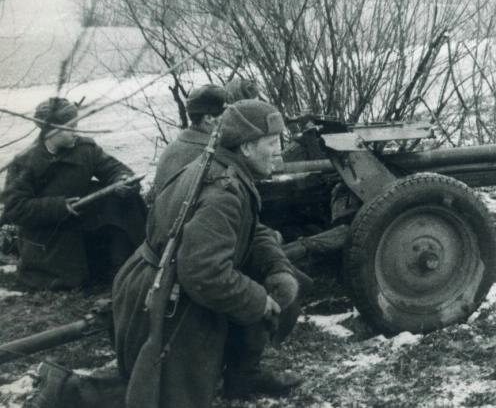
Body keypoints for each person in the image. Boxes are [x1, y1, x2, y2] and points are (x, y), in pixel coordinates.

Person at [112, 100, 303, 407]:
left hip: (169, 285)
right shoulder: (222, 191)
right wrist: (258, 300)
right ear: (247, 147)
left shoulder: (222, 170)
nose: (279, 150)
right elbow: (205, 273)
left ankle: (243, 377)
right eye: (272, 142)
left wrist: (275, 265)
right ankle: (63, 391)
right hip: (166, 301)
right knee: (159, 398)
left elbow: (249, 230)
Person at [1, 97, 146, 290]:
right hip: (49, 237)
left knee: (125, 199)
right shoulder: (24, 162)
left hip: (82, 223)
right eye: (71, 127)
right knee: (69, 281)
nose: (76, 133)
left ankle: (124, 271)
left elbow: (115, 169)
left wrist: (122, 180)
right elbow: (14, 209)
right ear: (51, 130)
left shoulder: (85, 149)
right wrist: (59, 207)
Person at [148, 84, 227, 198]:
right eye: (225, 113)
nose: (229, 118)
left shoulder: (173, 147)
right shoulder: (209, 154)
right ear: (209, 118)